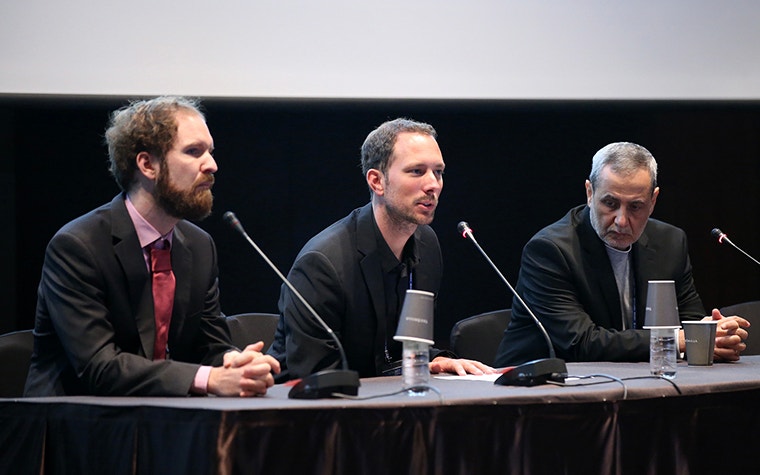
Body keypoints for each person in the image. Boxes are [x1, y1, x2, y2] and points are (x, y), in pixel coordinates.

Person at [24, 96, 280, 397]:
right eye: (193, 152)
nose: (212, 165)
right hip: (73, 424)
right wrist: (210, 378)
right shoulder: (78, 246)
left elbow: (208, 344)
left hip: (159, 420)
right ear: (147, 164)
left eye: (210, 152)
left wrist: (232, 363)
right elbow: (99, 366)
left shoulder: (198, 245)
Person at [267, 118, 495, 380]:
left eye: (438, 172)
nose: (433, 184)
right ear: (377, 181)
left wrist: (434, 360)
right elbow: (317, 375)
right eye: (417, 171)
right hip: (306, 408)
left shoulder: (427, 245)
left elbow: (405, 348)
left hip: (389, 401)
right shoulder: (323, 263)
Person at [494, 142, 750, 366]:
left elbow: (690, 322)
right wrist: (681, 339)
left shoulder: (670, 242)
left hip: (632, 383)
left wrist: (714, 336)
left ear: (653, 201)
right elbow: (581, 343)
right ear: (589, 193)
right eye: (610, 203)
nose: (621, 220)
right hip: (536, 395)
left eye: (635, 206)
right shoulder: (550, 250)